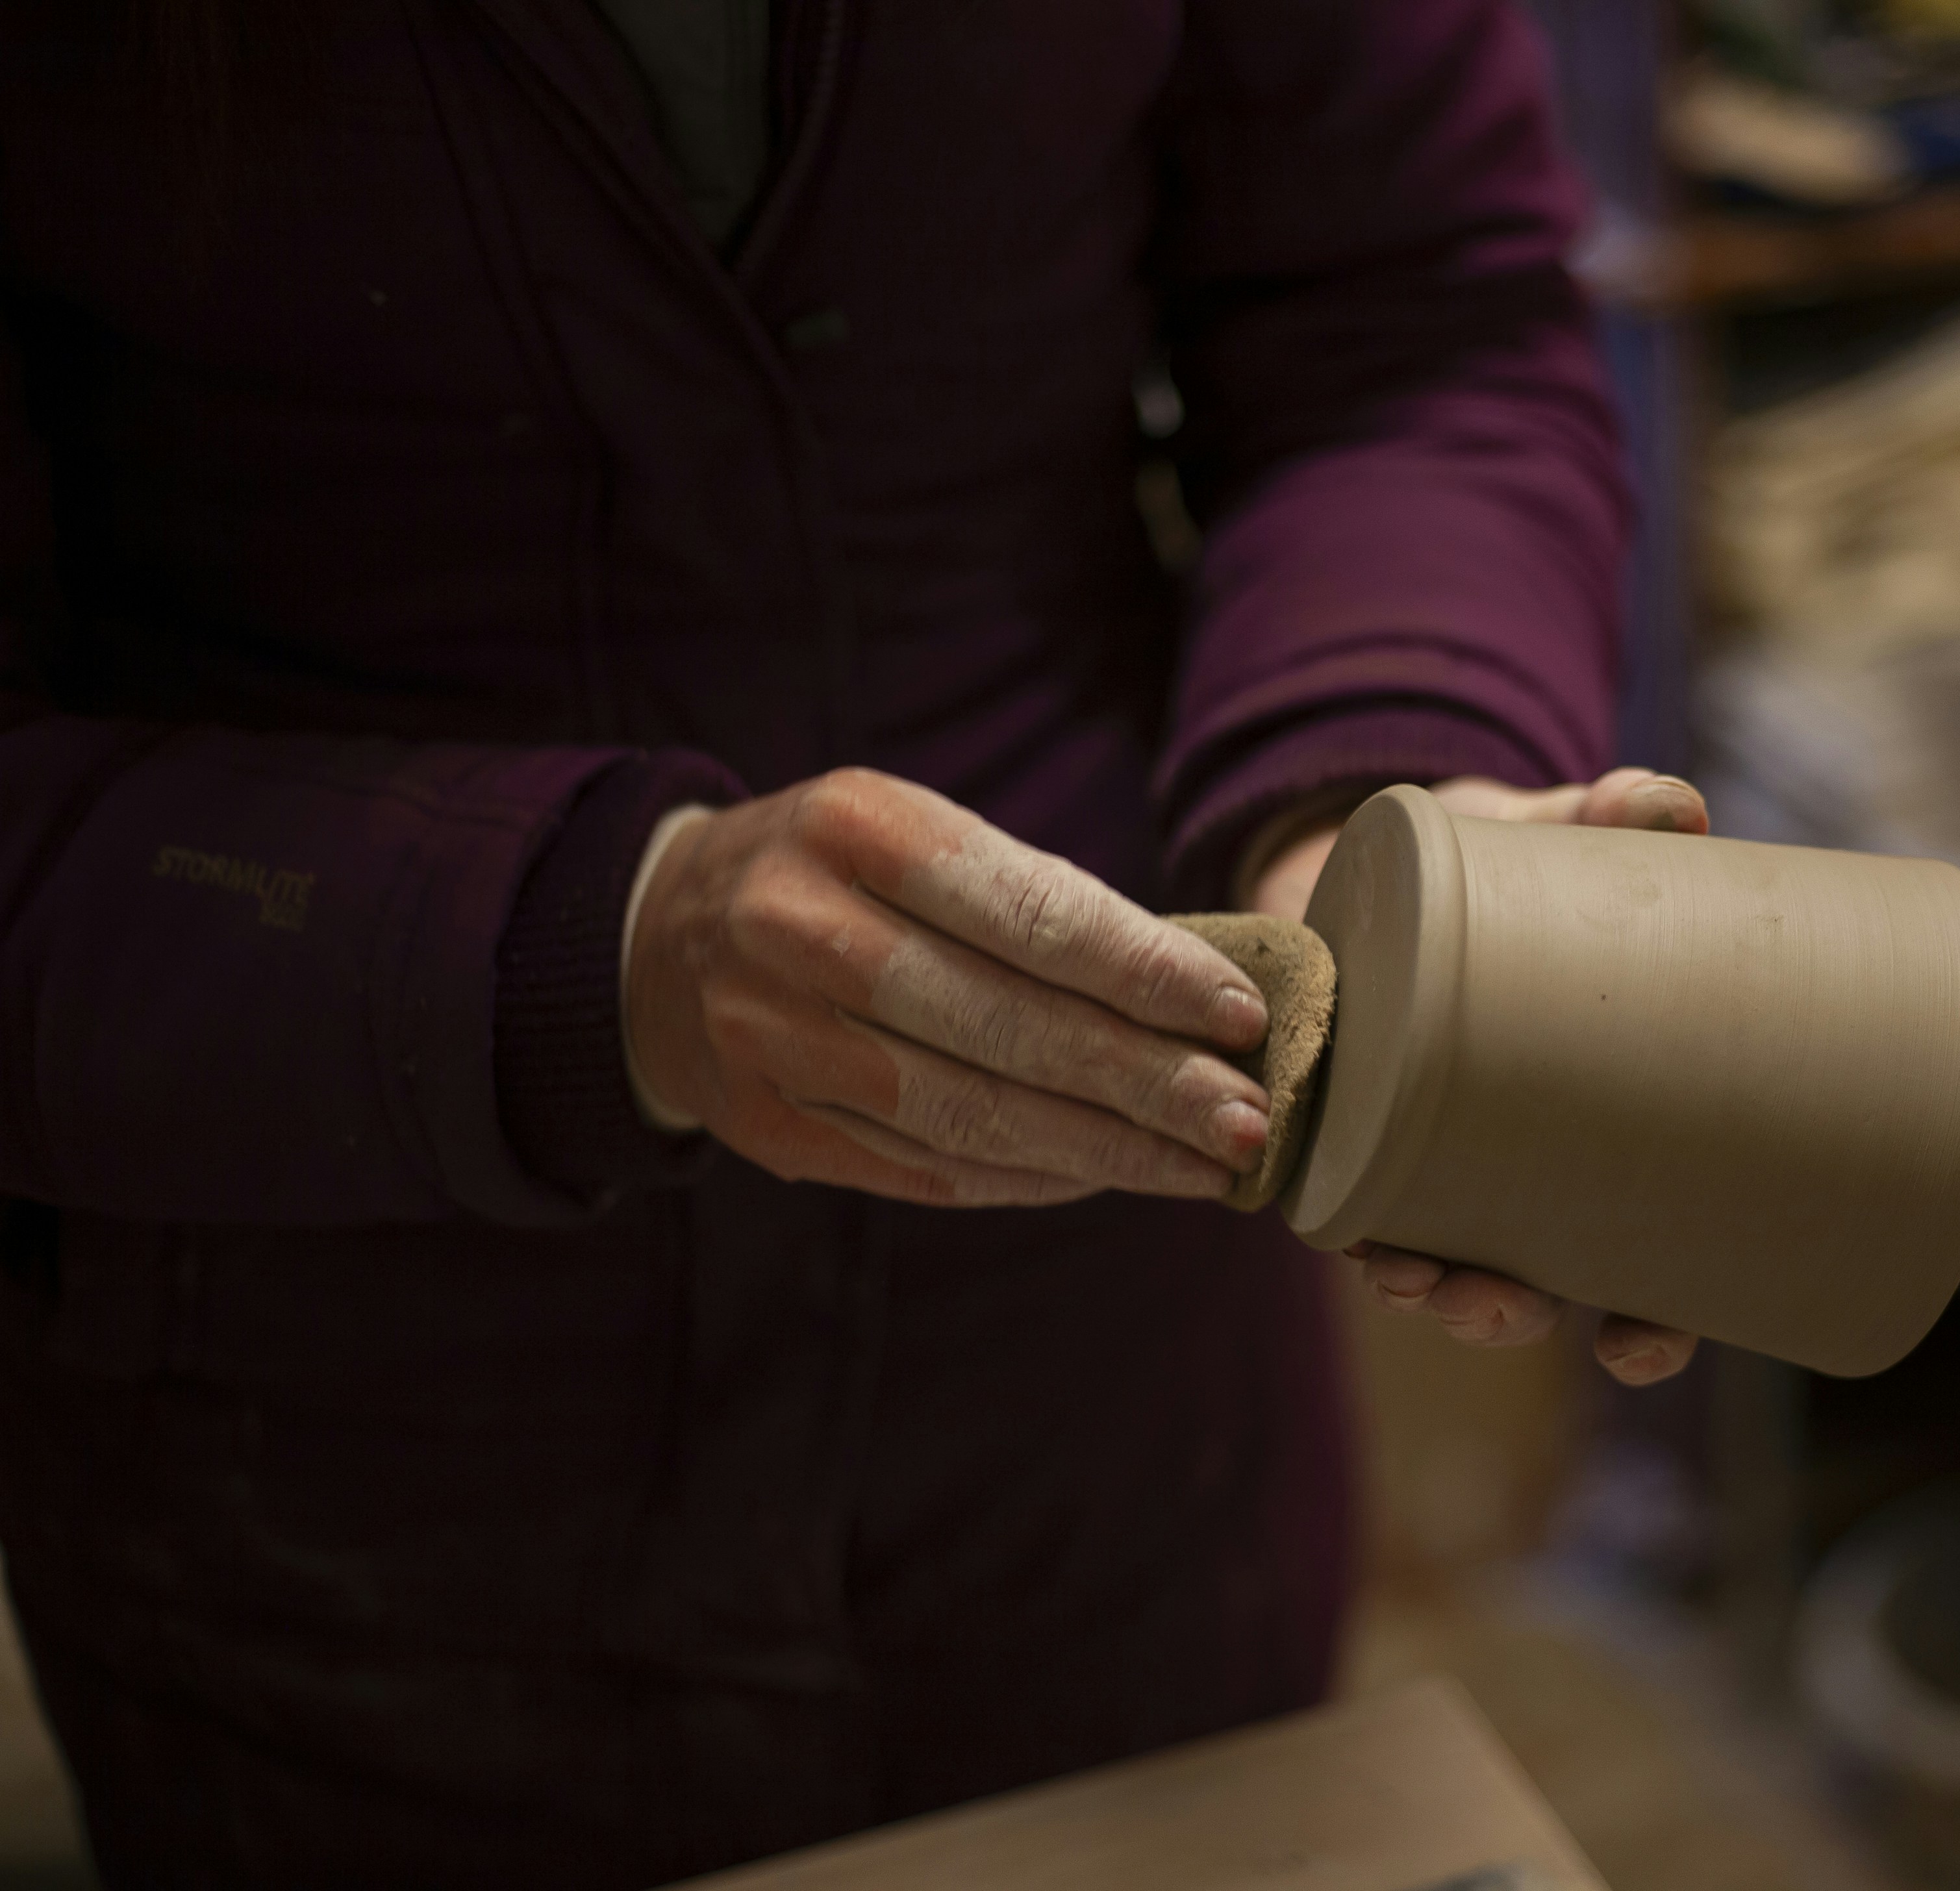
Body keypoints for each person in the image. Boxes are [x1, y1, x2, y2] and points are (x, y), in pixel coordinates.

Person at [0, 0, 1703, 1883]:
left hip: (1100, 1348)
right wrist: (591, 942)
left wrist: (1373, 801)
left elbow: (1405, 321)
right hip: (339, 1424)